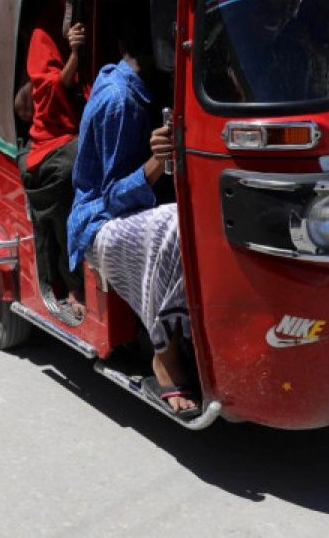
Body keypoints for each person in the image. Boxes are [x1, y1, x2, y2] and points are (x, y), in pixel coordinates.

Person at [68, 25, 196, 417]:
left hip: (131, 208)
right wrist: (157, 162)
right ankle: (164, 354)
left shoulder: (140, 87)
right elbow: (109, 196)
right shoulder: (121, 99)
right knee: (176, 224)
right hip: (98, 221)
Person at [22, 0, 87, 323]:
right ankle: (72, 283)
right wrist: (76, 53)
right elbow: (52, 90)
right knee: (72, 175)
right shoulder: (43, 35)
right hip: (52, 140)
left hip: (79, 127)